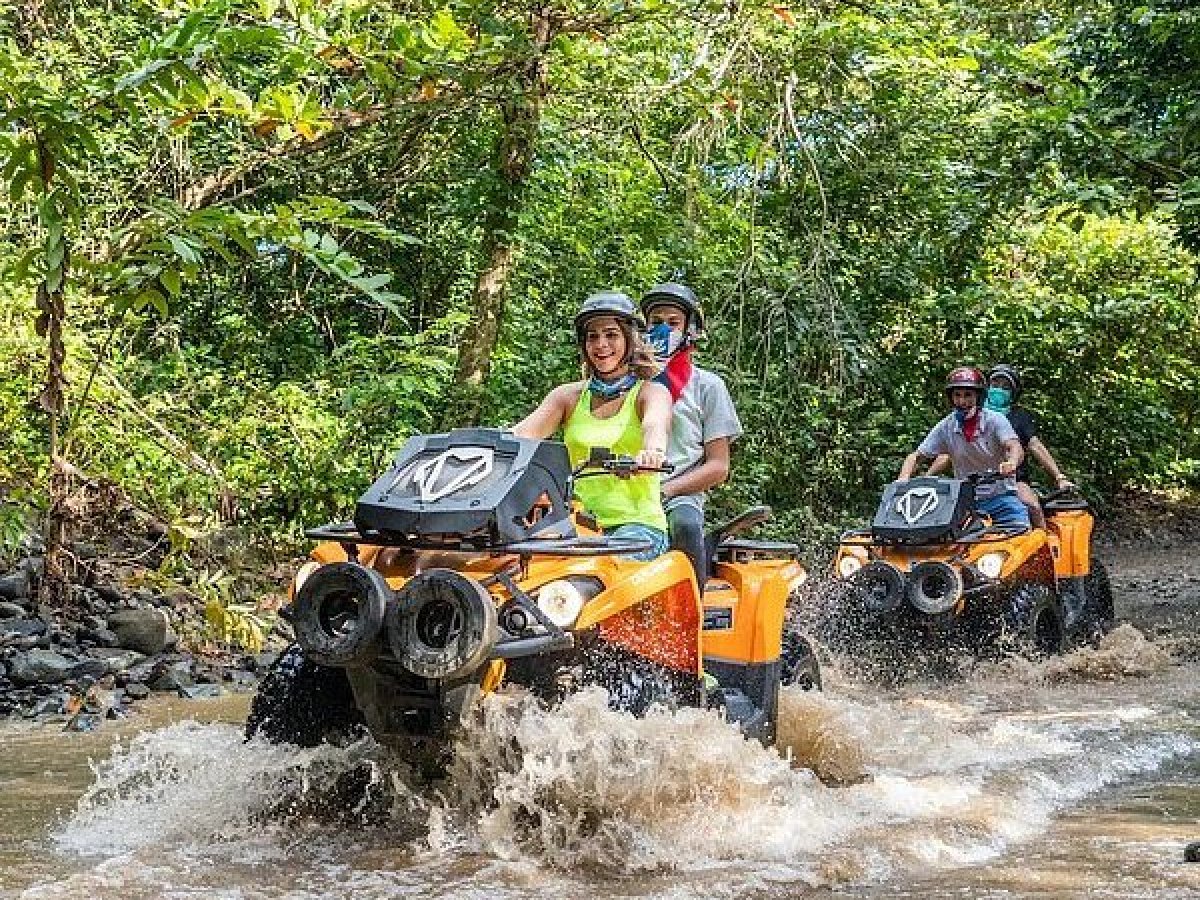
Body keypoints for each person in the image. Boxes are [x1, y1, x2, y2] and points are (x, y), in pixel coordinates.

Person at [513, 291, 672, 560]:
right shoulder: (567, 397)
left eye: (611, 335)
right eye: (592, 336)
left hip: (635, 528)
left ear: (630, 340)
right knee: (522, 565)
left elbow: (655, 425)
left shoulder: (650, 393)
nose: (601, 344)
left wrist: (652, 452)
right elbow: (521, 434)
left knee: (599, 573)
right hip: (575, 523)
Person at [640, 282, 743, 589]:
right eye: (656, 322)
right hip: (624, 491)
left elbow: (718, 466)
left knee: (685, 525)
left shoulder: (708, 387)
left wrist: (666, 490)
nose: (663, 329)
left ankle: (693, 608)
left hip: (678, 492)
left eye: (673, 323)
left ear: (690, 330)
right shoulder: (627, 382)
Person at [928, 364, 1075, 529]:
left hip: (1010, 479)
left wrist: (1059, 477)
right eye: (995, 384)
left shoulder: (1018, 417)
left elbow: (1034, 446)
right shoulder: (964, 416)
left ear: (1013, 393)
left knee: (1031, 505)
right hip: (972, 484)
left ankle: (1044, 547)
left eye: (1005, 387)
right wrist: (926, 477)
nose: (999, 389)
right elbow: (949, 452)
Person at [898, 366, 1030, 530]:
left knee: (1022, 537)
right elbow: (916, 456)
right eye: (957, 395)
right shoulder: (946, 426)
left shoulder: (995, 420)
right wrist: (903, 480)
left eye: (968, 395)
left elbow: (1014, 446)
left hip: (1001, 497)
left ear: (978, 397)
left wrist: (1011, 462)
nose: (962, 402)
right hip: (966, 503)